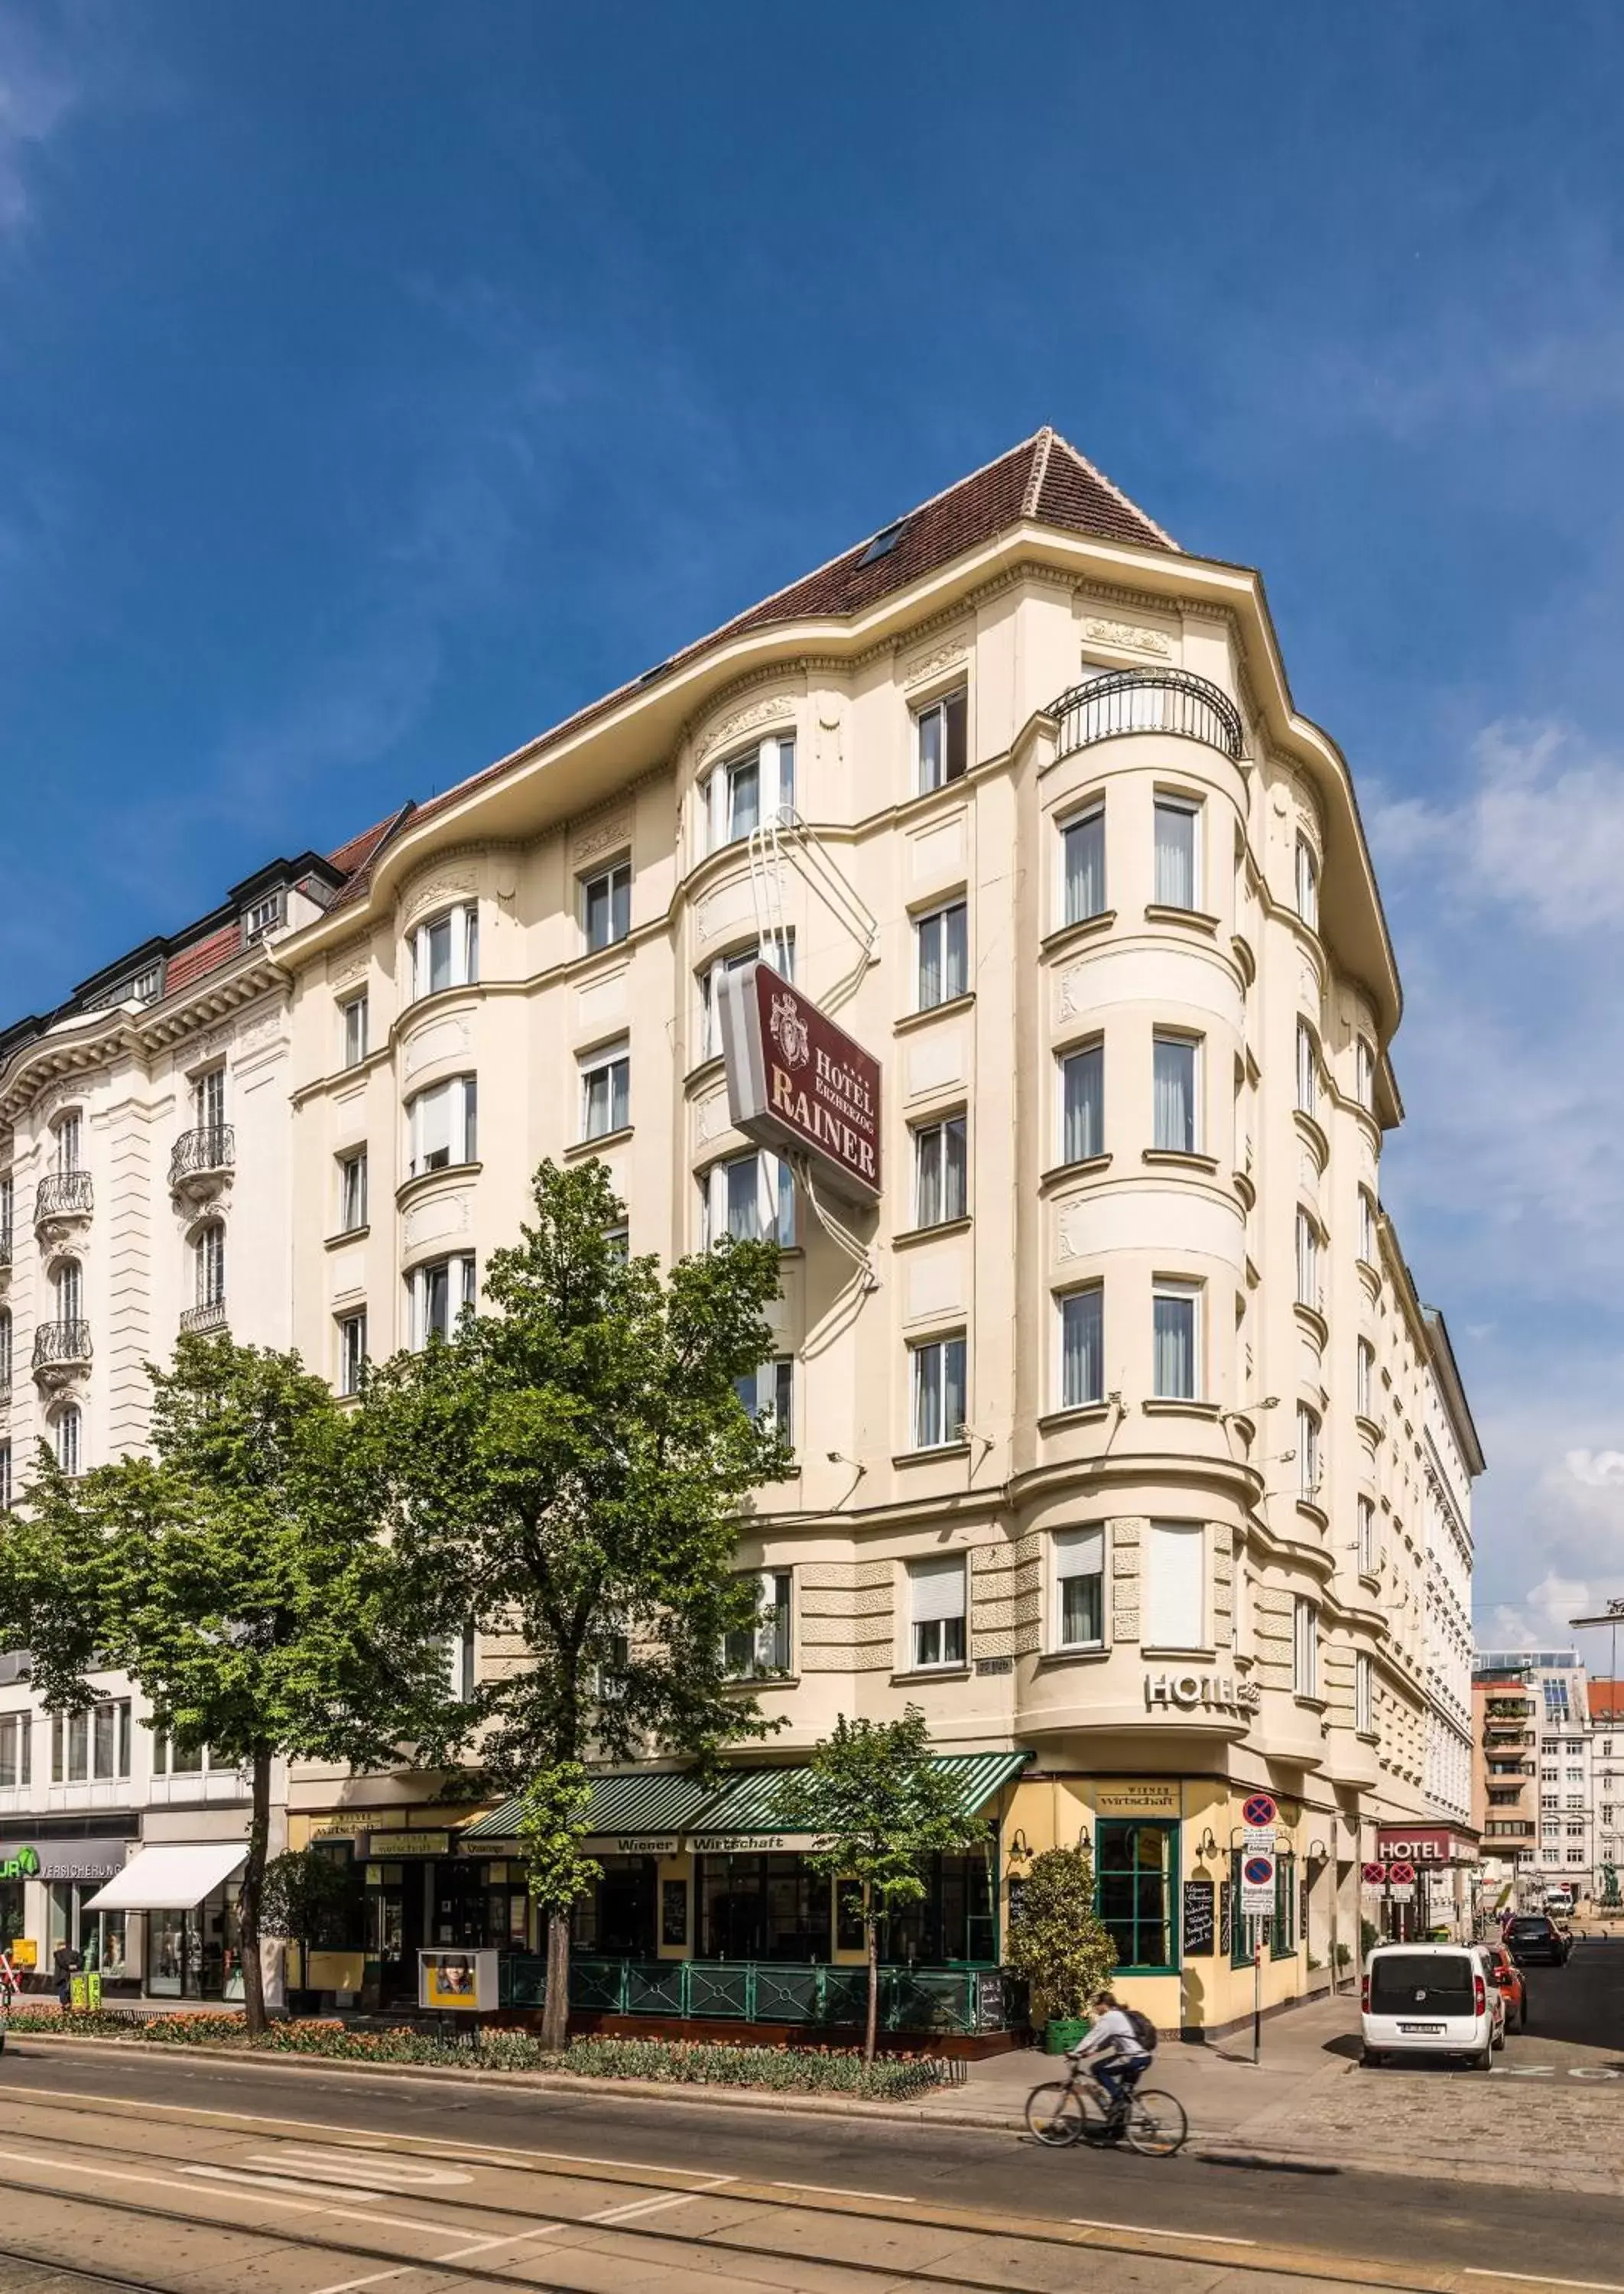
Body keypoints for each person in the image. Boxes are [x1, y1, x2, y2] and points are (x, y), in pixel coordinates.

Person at [1070, 1989, 1154, 2134]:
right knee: (1124, 2091)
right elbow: (1108, 2040)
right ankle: (1117, 2127)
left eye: (1096, 2005)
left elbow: (1093, 2035)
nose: (1094, 2008)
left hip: (1131, 2057)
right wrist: (1090, 2052)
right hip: (1143, 2057)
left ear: (1104, 2004)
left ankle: (1118, 2102)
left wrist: (1076, 2052)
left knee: (1097, 2069)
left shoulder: (1110, 2017)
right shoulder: (1119, 2015)